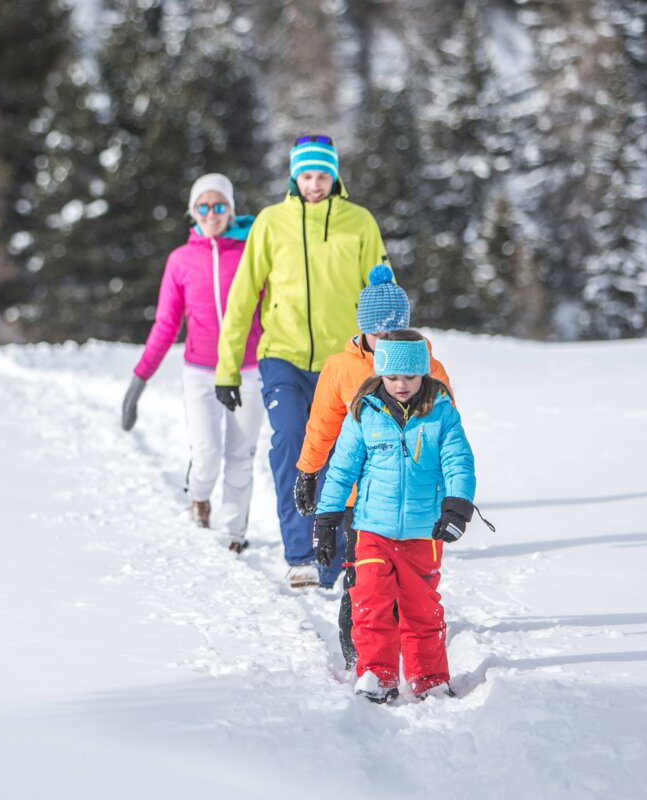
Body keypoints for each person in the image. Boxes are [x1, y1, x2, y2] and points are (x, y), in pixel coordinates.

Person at [214, 134, 388, 589]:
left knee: (342, 453)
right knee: (291, 440)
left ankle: (336, 559)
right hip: (283, 356)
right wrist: (227, 367)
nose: (314, 184)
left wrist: (389, 355)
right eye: (306, 175)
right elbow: (243, 295)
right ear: (294, 176)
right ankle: (300, 553)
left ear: (335, 175)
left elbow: (382, 295)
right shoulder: (271, 223)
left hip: (345, 361)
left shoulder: (360, 222)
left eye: (322, 174)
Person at [293, 264, 453, 669]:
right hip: (357, 501)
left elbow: (448, 435)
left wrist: (449, 493)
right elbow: (324, 424)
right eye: (377, 333)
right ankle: (360, 657)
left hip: (414, 501)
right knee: (362, 582)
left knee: (410, 586)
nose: (385, 341)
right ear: (363, 330)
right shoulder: (342, 367)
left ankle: (404, 651)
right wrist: (309, 469)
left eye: (393, 332)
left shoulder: (429, 369)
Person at [313, 330, 477, 703]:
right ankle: (376, 672)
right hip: (372, 528)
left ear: (424, 373)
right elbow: (341, 470)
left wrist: (457, 506)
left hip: (424, 531)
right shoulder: (364, 412)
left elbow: (458, 462)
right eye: (392, 377)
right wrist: (326, 521)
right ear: (381, 373)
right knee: (370, 602)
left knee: (422, 610)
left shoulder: (442, 412)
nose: (401, 385)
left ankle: (429, 678)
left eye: (410, 376)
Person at [121, 173, 264, 553]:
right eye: (204, 206)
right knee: (207, 454)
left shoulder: (252, 250)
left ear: (231, 209)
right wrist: (140, 379)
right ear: (193, 211)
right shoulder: (181, 260)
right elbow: (167, 323)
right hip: (200, 371)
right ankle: (198, 497)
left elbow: (273, 309)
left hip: (249, 369)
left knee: (240, 455)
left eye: (220, 206)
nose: (212, 213)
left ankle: (235, 533)